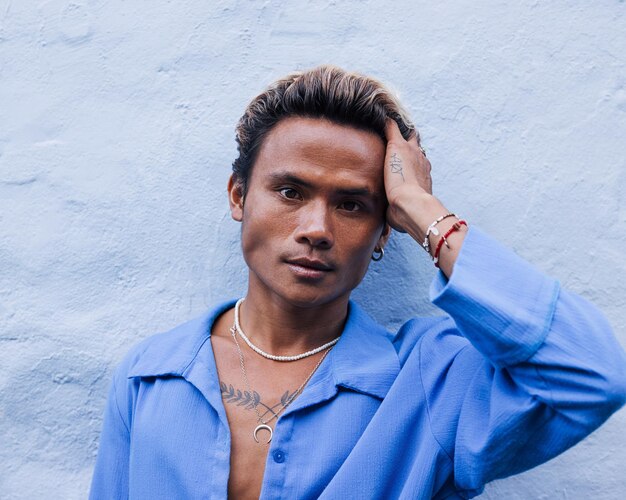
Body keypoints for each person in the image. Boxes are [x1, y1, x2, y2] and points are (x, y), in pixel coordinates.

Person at [89, 65, 626, 499]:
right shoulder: (149, 376)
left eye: (352, 204)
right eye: (290, 192)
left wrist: (421, 209)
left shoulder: (430, 383)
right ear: (238, 196)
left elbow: (593, 374)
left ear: (383, 231)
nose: (316, 230)